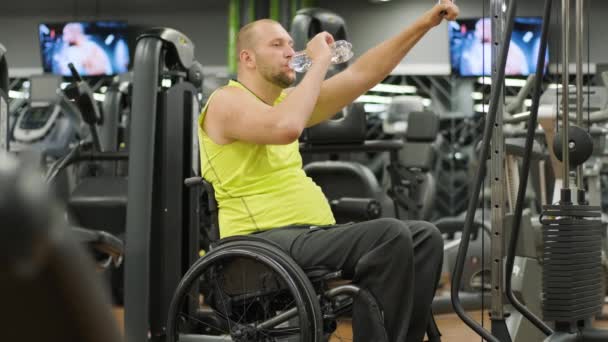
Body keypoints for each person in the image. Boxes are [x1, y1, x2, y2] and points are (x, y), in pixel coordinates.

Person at [197, 1, 459, 341]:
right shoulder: (225, 101)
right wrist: (319, 61)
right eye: (277, 45)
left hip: (306, 237)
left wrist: (424, 24)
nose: (290, 52)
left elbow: (362, 74)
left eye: (291, 44)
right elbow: (286, 128)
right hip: (258, 244)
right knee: (391, 235)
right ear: (247, 58)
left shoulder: (283, 102)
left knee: (425, 237)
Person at [461, 17, 529, 76]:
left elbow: (514, 72)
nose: (476, 34)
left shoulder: (510, 49)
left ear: (488, 30)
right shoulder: (483, 48)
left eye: (478, 30)